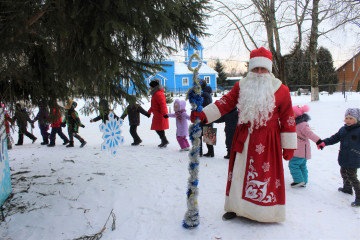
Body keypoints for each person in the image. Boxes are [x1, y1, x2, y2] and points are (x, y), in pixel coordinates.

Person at [190, 47, 297, 222]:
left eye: (263, 69)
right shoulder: (242, 85)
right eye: (256, 68)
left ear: (269, 70)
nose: (260, 72)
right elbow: (225, 102)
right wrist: (204, 114)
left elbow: (288, 118)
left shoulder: (281, 90)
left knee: (263, 176)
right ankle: (236, 207)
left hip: (268, 141)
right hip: (244, 138)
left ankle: (264, 213)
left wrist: (289, 146)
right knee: (238, 172)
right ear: (251, 69)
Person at [317, 108, 360, 207]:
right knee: (343, 172)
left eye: (351, 118)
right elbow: (334, 138)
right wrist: (324, 142)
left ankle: (359, 197)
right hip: (344, 157)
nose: (348, 120)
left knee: (352, 177)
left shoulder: (358, 131)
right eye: (346, 118)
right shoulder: (343, 129)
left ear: (357, 119)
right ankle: (347, 188)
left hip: (354, 158)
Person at [289, 105, 322, 188]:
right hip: (301, 150)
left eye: (292, 113)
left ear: (297, 114)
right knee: (302, 165)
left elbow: (310, 134)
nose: (290, 114)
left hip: (299, 150)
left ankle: (298, 180)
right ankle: (304, 181)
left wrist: (318, 141)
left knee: (293, 164)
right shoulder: (296, 123)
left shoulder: (302, 124)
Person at [147, 79, 169, 148]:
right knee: (159, 128)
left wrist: (165, 113)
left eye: (150, 86)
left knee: (159, 129)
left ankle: (164, 141)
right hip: (157, 114)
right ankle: (164, 141)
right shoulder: (155, 93)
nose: (150, 87)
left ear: (153, 87)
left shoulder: (158, 94)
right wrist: (149, 112)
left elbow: (163, 104)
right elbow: (154, 105)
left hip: (160, 114)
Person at [200, 81, 214, 157]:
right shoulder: (206, 93)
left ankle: (202, 152)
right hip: (207, 116)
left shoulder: (204, 94)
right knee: (208, 133)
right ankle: (210, 152)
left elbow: (205, 105)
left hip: (204, 115)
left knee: (203, 133)